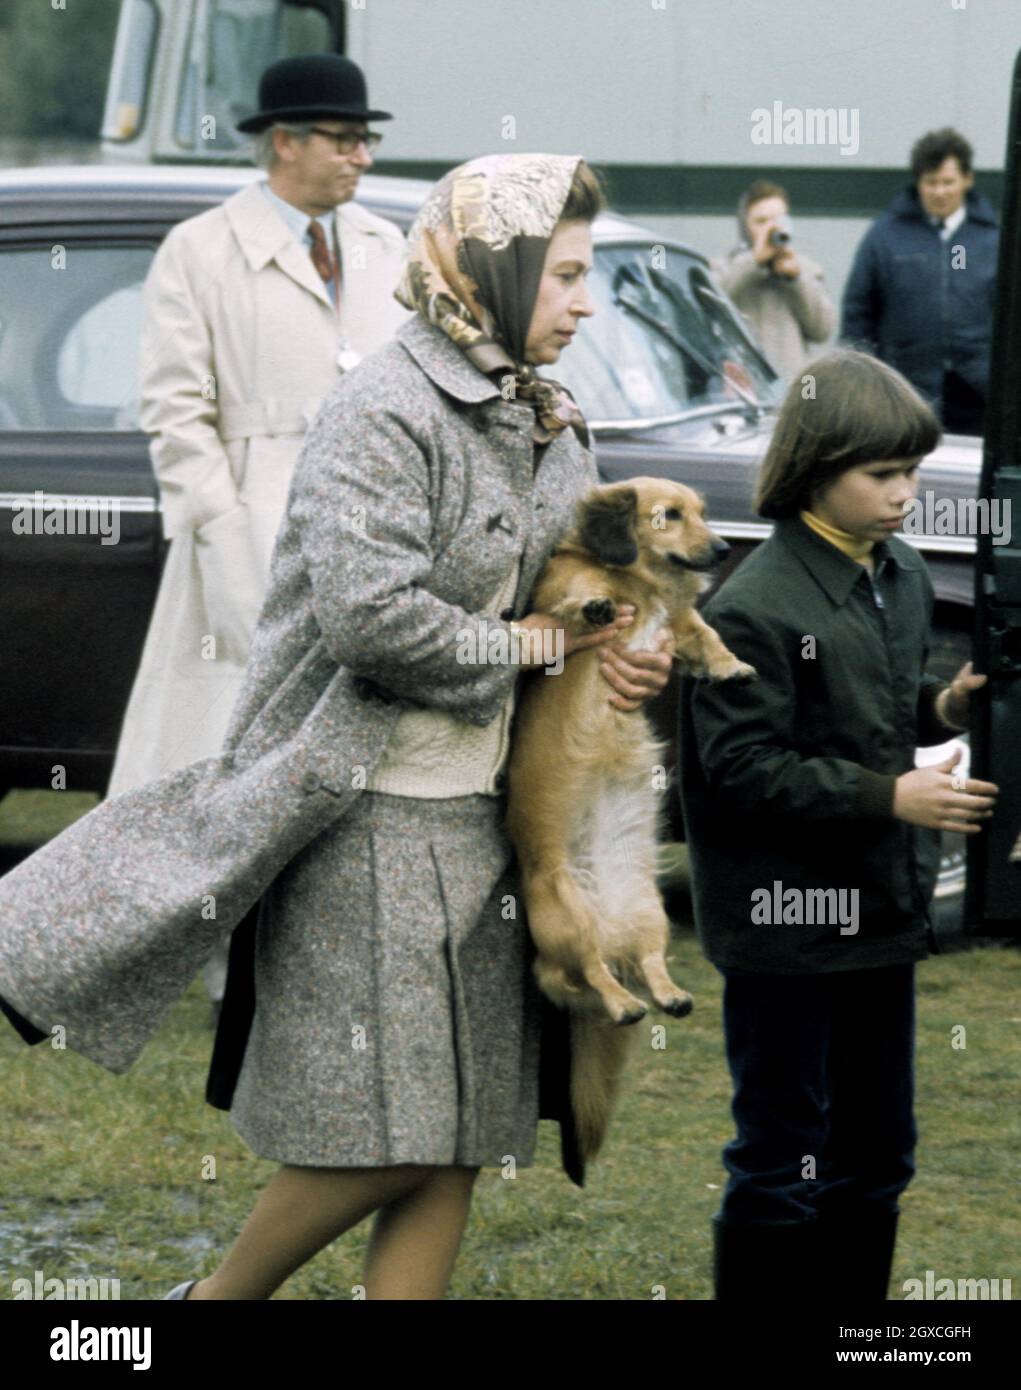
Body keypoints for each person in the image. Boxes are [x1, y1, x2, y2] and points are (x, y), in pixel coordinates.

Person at [0, 153, 678, 1300]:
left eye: (584, 275)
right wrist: (530, 645)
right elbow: (372, 621)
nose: (583, 301)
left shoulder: (550, 422)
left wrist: (626, 643)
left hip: (488, 824)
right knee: (391, 1132)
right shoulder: (385, 410)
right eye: (562, 276)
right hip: (360, 811)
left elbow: (581, 586)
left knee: (462, 1130)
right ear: (496, 272)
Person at [677, 348, 999, 1301]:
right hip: (783, 927)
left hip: (875, 917)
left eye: (910, 472)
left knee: (876, 1152)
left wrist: (942, 711)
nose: (906, 494)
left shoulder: (894, 572)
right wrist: (889, 796)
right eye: (884, 475)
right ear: (818, 471)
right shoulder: (752, 606)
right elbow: (739, 771)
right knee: (781, 1159)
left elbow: (877, 707)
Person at [107, 54, 410, 1017]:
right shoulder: (199, 249)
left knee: (348, 744)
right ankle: (207, 958)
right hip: (246, 530)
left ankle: (322, 956)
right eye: (342, 138)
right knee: (221, 750)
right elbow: (175, 416)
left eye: (367, 139)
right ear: (284, 143)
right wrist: (223, 535)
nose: (360, 156)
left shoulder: (383, 243)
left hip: (368, 526)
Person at [841, 128, 999, 436]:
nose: (940, 191)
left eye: (948, 182)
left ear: (968, 179)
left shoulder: (993, 239)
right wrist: (865, 383)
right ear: (918, 183)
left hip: (980, 394)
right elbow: (858, 313)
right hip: (905, 393)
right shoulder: (884, 236)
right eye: (931, 182)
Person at [711, 180, 835, 381]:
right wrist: (754, 261)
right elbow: (708, 308)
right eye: (761, 221)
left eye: (778, 220)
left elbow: (822, 330)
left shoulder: (806, 269)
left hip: (792, 393)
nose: (771, 228)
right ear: (745, 226)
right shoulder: (724, 268)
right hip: (744, 392)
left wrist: (796, 280)